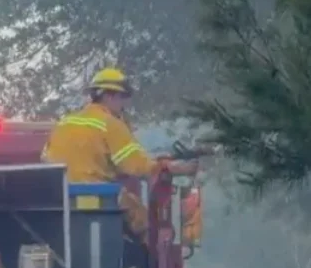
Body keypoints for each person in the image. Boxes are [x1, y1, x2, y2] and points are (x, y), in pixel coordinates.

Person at [42, 66, 197, 238]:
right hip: (98, 200)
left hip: (61, 202)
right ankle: (143, 261)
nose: (124, 104)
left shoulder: (64, 123)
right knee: (145, 221)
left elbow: (46, 159)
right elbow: (138, 166)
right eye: (122, 98)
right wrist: (180, 168)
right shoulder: (110, 124)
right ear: (109, 96)